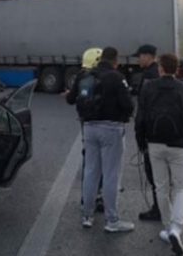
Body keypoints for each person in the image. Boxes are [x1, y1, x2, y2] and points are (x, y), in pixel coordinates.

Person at [135, 53, 183, 255]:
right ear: (177, 68)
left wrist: (141, 143)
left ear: (161, 68)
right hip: (179, 144)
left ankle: (167, 227)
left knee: (161, 187)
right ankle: (176, 228)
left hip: (154, 143)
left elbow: (140, 118)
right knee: (181, 188)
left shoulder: (147, 87)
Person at [80, 46, 135, 232]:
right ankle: (112, 220)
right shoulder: (117, 77)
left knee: (90, 172)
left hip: (88, 127)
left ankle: (87, 215)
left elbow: (73, 98)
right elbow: (127, 105)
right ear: (115, 60)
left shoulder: (86, 75)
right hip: (111, 128)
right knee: (111, 174)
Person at [67, 47, 105, 213]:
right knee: (104, 161)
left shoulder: (80, 77)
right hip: (103, 123)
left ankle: (86, 197)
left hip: (86, 123)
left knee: (89, 161)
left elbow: (70, 99)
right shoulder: (104, 77)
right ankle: (100, 196)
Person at [132, 44, 163, 222]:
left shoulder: (149, 78)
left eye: (140, 56)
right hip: (167, 133)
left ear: (148, 56)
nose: (138, 60)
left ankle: (159, 209)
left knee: (154, 174)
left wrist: (140, 137)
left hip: (152, 133)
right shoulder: (159, 72)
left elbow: (143, 110)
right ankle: (164, 207)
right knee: (164, 175)